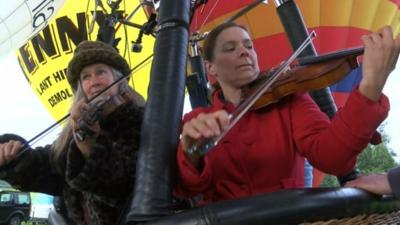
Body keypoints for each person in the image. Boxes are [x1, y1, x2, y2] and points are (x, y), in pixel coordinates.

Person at [174, 22, 400, 204]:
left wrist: (370, 87)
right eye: (230, 48)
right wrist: (192, 153)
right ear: (210, 68)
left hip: (289, 217)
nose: (244, 52)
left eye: (248, 46)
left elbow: (334, 158)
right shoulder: (196, 120)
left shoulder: (290, 100)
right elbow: (185, 189)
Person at [0, 40, 145, 225]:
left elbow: (123, 187)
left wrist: (90, 145)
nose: (94, 82)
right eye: (86, 77)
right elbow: (49, 166)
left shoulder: (138, 121)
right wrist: (14, 157)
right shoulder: (74, 131)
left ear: (118, 78)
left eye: (101, 72)